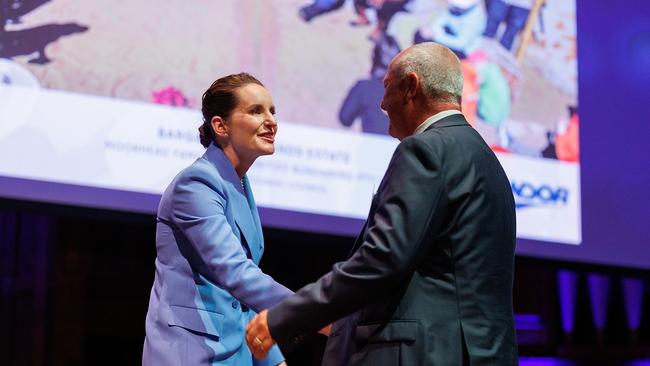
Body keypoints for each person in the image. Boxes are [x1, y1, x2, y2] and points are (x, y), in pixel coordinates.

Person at [246, 43, 518, 365]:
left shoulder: (425, 150)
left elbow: (381, 260)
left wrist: (283, 317)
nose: (382, 102)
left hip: (424, 354)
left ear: (411, 87)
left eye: (388, 87)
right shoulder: (486, 159)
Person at [143, 73, 293, 366]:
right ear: (220, 126)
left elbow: (243, 295)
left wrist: (273, 360)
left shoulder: (238, 182)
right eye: (256, 111)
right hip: (190, 352)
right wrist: (312, 313)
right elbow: (236, 274)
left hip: (235, 353)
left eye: (272, 111)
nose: (271, 121)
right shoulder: (196, 184)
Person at [339, 33, 400, 135]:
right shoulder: (409, 92)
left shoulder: (364, 87)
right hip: (401, 150)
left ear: (374, 59)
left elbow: (345, 118)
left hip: (370, 149)